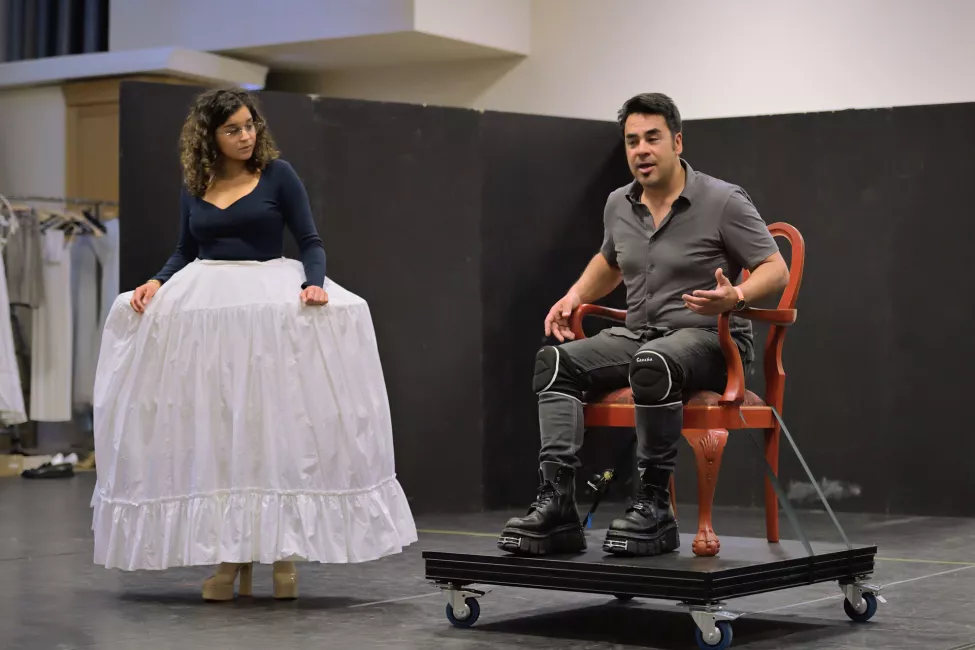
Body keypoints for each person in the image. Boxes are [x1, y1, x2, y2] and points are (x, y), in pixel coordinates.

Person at [90, 88, 417, 600]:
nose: (246, 136)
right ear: (210, 137)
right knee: (223, 431)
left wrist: (314, 284)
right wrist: (156, 281)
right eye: (233, 130)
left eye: (249, 126)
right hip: (211, 312)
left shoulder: (278, 175)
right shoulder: (196, 182)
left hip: (267, 312)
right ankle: (231, 556)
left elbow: (310, 241)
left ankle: (282, 555)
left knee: (273, 428)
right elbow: (185, 248)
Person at [497, 93, 789, 557]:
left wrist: (734, 296)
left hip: (711, 341)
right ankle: (558, 507)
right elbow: (610, 262)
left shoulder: (723, 200)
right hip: (639, 336)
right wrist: (574, 296)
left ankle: (654, 506)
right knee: (554, 364)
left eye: (652, 138)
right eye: (633, 141)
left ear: (677, 142)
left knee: (654, 362)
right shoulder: (619, 203)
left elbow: (775, 269)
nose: (642, 150)